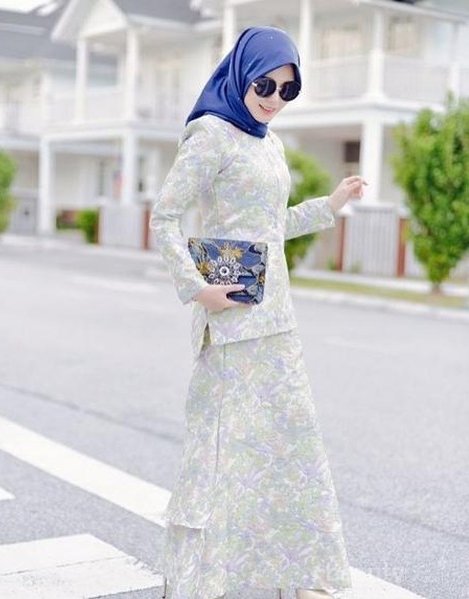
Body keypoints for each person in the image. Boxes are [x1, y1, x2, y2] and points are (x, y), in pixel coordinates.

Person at [150, 25, 366, 599]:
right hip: (228, 320)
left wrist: (330, 205)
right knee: (221, 449)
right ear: (241, 75)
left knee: (287, 447)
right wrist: (197, 289)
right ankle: (196, 578)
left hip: (278, 319)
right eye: (264, 84)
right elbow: (164, 218)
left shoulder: (270, 144)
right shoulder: (210, 135)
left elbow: (271, 227)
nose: (273, 98)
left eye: (287, 90)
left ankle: (297, 574)